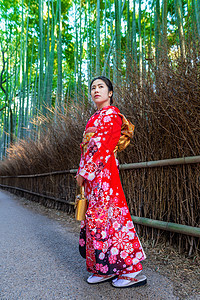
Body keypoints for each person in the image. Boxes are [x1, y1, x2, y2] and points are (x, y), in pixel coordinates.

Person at [76, 76, 147, 288]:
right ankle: (103, 268)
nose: (96, 90)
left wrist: (84, 171)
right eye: (93, 88)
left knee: (113, 220)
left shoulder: (113, 115)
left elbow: (102, 147)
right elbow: (86, 148)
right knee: (96, 222)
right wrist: (82, 173)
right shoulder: (93, 118)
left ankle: (132, 270)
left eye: (101, 87)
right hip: (92, 179)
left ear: (110, 93)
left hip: (105, 176)